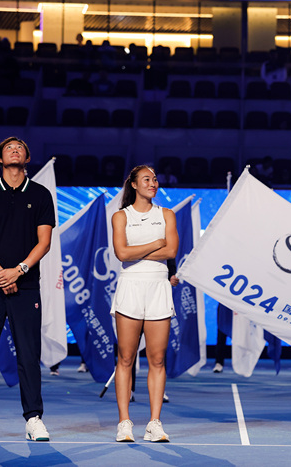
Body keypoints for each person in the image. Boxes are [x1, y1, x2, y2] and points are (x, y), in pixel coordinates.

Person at [0, 136, 55, 442]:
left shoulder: (41, 195)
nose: (15, 150)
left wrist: (18, 271)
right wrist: (1, 273)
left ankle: (33, 418)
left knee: (29, 354)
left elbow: (44, 242)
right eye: (8, 148)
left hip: (26, 286)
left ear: (27, 158)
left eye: (20, 148)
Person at [111, 165, 178, 443]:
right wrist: (156, 243)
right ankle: (124, 423)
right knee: (126, 358)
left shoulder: (167, 215)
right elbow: (121, 253)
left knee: (158, 359)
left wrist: (139, 252)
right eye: (147, 179)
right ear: (134, 185)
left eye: (155, 179)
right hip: (130, 288)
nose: (153, 183)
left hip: (159, 288)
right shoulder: (120, 216)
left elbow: (171, 250)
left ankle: (154, 423)